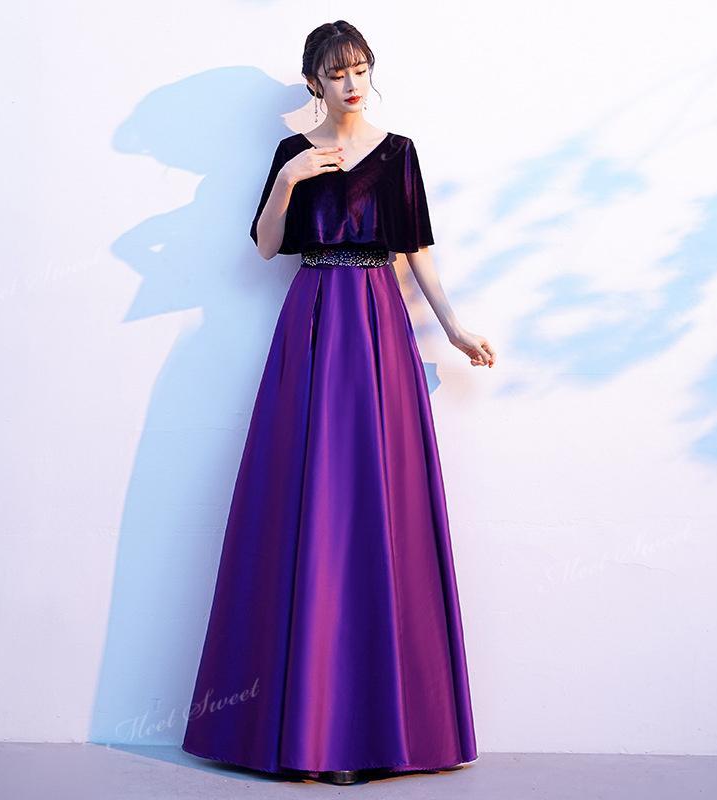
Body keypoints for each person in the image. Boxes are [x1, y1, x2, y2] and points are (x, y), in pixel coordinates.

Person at [182, 20, 496, 787]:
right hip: (315, 319)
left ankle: (378, 730)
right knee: (304, 498)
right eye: (336, 72)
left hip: (378, 324)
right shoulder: (293, 153)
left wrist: (453, 327)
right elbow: (265, 247)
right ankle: (300, 728)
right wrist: (290, 180)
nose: (351, 83)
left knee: (378, 502)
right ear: (313, 82)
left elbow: (416, 248)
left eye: (360, 69)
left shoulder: (398, 153)